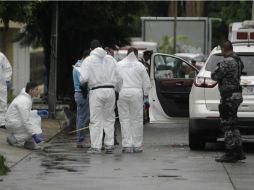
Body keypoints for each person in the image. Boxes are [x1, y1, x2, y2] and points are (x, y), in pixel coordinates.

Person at [80, 40, 121, 154]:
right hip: (110, 90)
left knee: (96, 120)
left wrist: (83, 83)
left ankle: (96, 146)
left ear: (91, 49)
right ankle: (109, 145)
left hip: (96, 91)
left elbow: (84, 79)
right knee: (109, 118)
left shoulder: (88, 60)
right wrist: (117, 90)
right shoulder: (111, 59)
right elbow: (119, 77)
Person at [211, 40, 246, 163]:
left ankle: (230, 153)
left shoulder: (226, 62)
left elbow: (215, 76)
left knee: (226, 124)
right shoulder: (237, 60)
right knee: (233, 124)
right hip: (237, 95)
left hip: (228, 97)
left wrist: (216, 69)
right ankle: (239, 151)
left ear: (225, 49)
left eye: (221, 50)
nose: (221, 52)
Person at [116, 47, 151, 153]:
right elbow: (146, 83)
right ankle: (137, 145)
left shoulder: (119, 64)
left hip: (123, 93)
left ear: (127, 54)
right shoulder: (140, 66)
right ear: (136, 55)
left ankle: (127, 145)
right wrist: (146, 96)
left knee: (124, 119)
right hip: (136, 94)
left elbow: (116, 81)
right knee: (137, 120)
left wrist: (118, 91)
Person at [5, 82, 43, 150]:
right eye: (37, 89)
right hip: (13, 123)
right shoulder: (24, 101)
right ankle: (14, 138)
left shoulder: (26, 97)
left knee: (36, 117)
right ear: (31, 90)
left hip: (14, 121)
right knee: (36, 129)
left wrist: (37, 112)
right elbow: (26, 120)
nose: (39, 91)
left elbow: (25, 113)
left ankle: (28, 143)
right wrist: (34, 134)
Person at [72, 49, 91, 148]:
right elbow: (83, 82)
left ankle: (81, 138)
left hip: (79, 93)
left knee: (81, 117)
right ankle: (80, 140)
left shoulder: (77, 65)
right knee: (82, 118)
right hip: (82, 94)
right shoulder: (80, 66)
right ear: (87, 57)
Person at [0, 52, 12, 128]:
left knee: (2, 103)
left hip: (1, 83)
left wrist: (7, 80)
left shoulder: (1, 56)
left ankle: (2, 122)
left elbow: (8, 68)